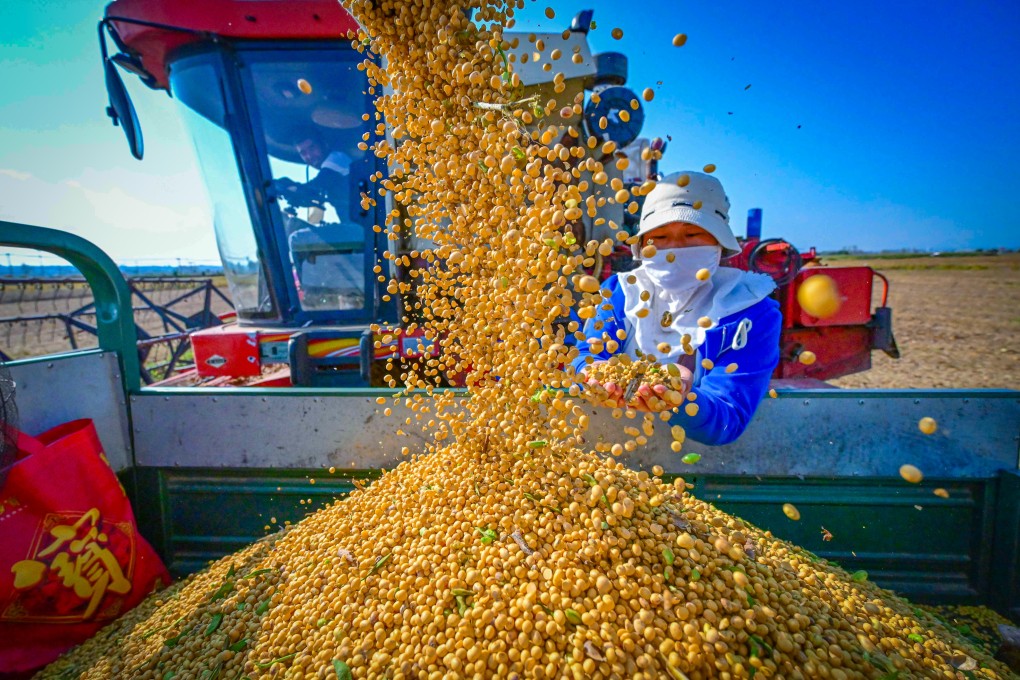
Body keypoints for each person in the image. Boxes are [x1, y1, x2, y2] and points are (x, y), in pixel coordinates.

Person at [572, 171, 781, 445]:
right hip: (609, 445)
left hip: (696, 460)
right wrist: (588, 372)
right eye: (659, 237)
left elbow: (728, 416)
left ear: (718, 243)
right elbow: (588, 353)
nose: (673, 250)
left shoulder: (749, 311)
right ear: (643, 245)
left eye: (692, 234)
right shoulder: (622, 290)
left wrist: (680, 397)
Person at [275, 133, 353, 220]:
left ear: (324, 145)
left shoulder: (337, 158)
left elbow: (317, 186)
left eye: (312, 148)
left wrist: (290, 187)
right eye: (303, 153)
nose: (309, 156)